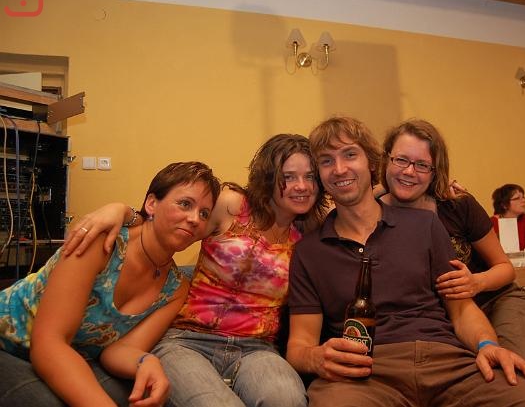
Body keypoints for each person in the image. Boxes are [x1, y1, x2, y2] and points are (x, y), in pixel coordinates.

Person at [286, 116, 525, 407]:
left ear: (371, 162)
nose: (339, 169)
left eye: (349, 155)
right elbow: (299, 345)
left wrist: (487, 344)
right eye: (326, 161)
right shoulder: (309, 252)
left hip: (448, 363)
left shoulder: (426, 225)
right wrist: (315, 358)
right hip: (363, 374)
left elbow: (460, 310)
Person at [62, 134, 327, 407]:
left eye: (310, 177)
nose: (301, 186)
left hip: (258, 349)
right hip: (188, 340)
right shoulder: (232, 205)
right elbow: (171, 224)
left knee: (288, 400)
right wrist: (122, 211)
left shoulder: (310, 234)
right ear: (269, 177)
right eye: (288, 177)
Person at [376, 119, 525, 403]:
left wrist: (475, 282)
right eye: (401, 160)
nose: (409, 171)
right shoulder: (374, 212)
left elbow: (505, 268)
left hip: (494, 299)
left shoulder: (457, 205)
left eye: (422, 165)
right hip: (446, 318)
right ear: (387, 160)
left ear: (435, 171)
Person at [0, 161, 221, 407]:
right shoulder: (103, 243)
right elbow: (49, 344)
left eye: (204, 214)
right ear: (151, 204)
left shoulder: (176, 289)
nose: (194, 219)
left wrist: (146, 361)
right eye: (185, 204)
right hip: (8, 343)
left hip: (72, 357)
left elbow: (117, 352)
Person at [490, 184, 525, 251]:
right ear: (504, 205)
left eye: (523, 197)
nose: (523, 201)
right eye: (517, 198)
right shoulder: (491, 223)